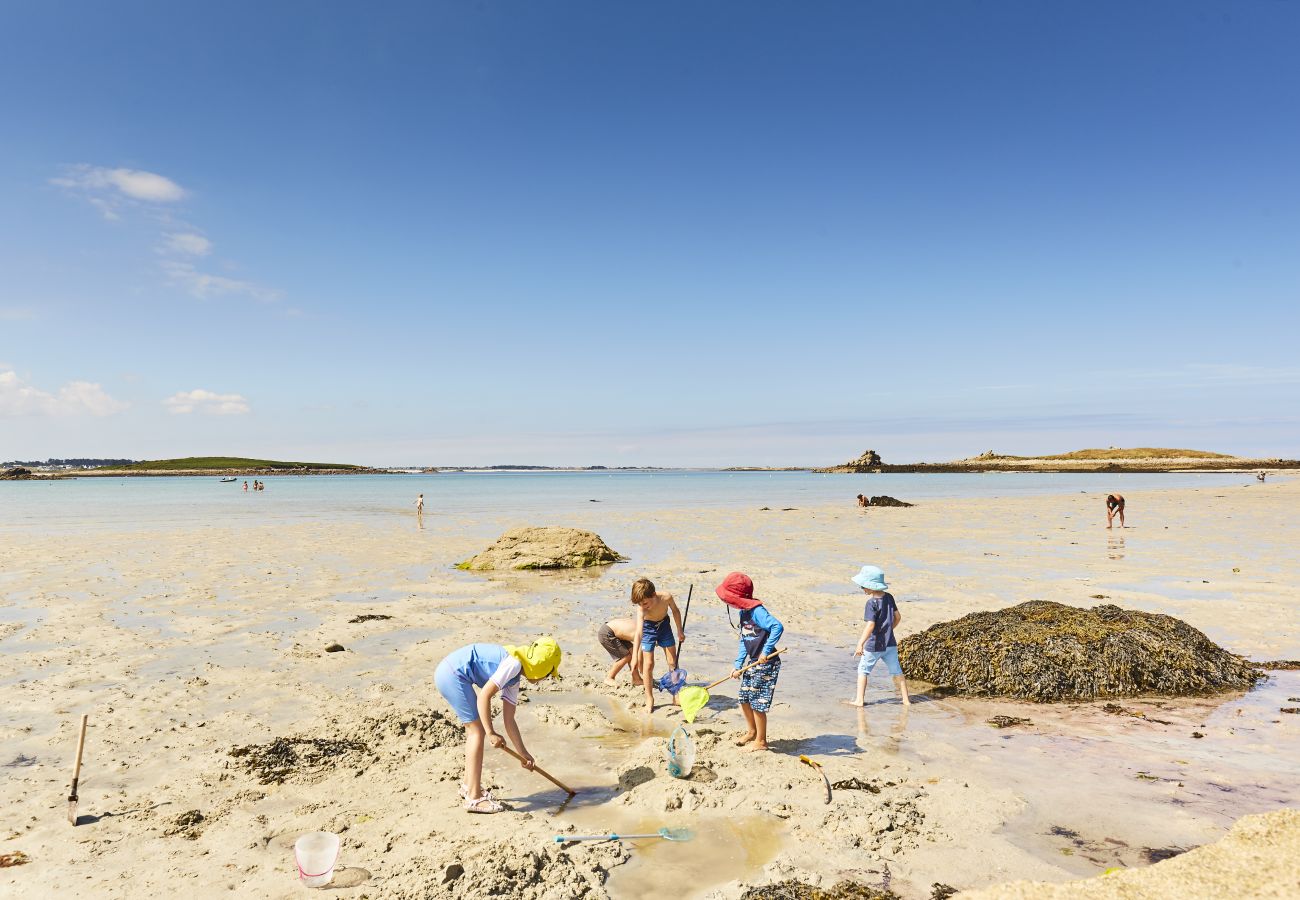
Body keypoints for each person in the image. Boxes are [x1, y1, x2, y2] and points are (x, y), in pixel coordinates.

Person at [434, 638, 562, 814]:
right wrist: (491, 732)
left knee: (475, 731)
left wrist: (522, 753)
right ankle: (474, 798)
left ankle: (468, 786)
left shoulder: (515, 677)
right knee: (477, 732)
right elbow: (484, 696)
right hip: (452, 674)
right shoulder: (514, 664)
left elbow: (509, 720)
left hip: (452, 673)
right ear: (541, 666)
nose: (545, 679)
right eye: (548, 674)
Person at [717, 572, 783, 751]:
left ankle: (761, 742)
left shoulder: (757, 611)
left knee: (757, 702)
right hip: (752, 662)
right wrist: (738, 665)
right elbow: (744, 640)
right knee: (744, 698)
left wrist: (766, 651)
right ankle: (752, 731)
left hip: (766, 663)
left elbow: (777, 626)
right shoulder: (743, 613)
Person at [850, 565, 910, 707]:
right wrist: (889, 629)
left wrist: (860, 643)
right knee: (897, 671)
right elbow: (898, 617)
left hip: (874, 645)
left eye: (863, 586)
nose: (862, 589)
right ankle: (906, 700)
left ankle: (859, 700)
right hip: (890, 643)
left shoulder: (871, 603)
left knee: (863, 670)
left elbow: (870, 625)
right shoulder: (889, 598)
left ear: (870, 586)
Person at [629, 578, 684, 713]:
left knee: (673, 662)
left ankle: (675, 694)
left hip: (664, 626)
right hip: (648, 629)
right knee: (648, 665)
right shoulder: (642, 609)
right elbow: (639, 633)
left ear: (653, 595)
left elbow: (676, 611)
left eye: (645, 603)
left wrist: (680, 630)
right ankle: (649, 698)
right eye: (640, 604)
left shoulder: (666, 597)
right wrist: (635, 657)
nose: (643, 606)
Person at [598, 617, 642, 685]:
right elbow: (639, 655)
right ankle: (609, 677)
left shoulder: (644, 626)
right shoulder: (642, 634)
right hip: (607, 632)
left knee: (632, 652)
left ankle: (636, 679)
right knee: (626, 656)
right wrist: (645, 672)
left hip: (617, 633)